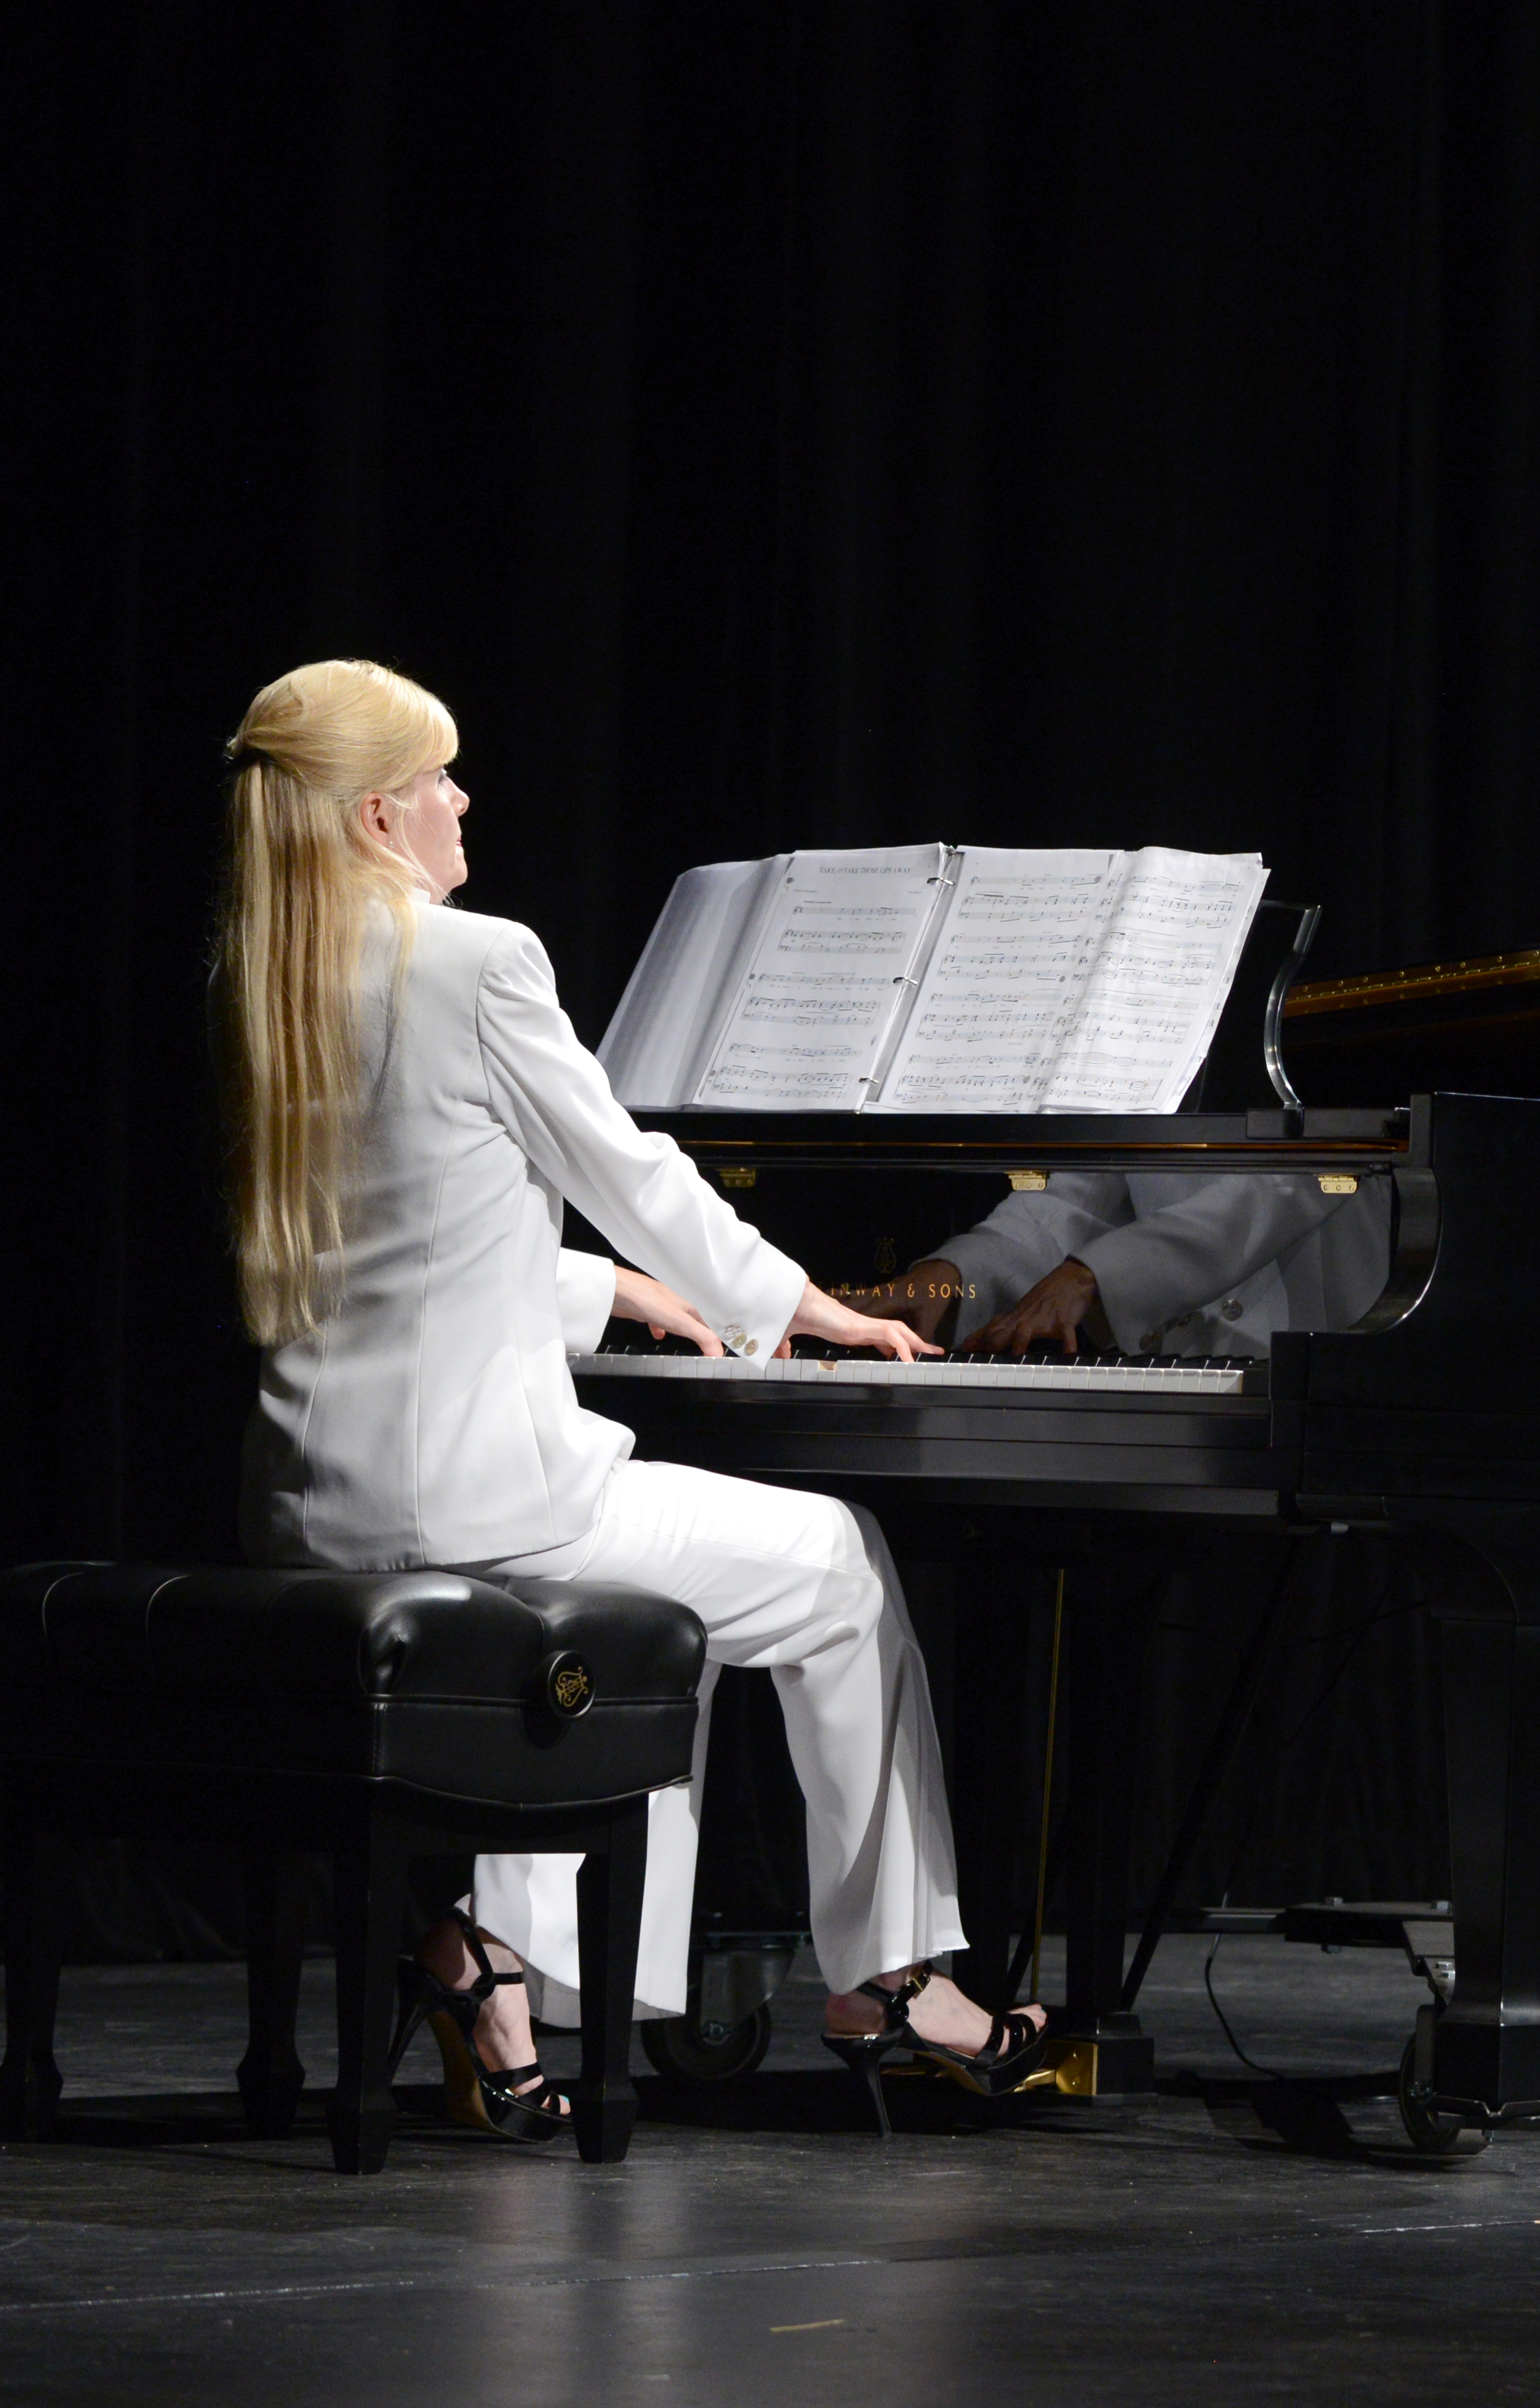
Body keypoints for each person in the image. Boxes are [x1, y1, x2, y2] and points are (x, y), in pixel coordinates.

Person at [220, 658, 1046, 2141]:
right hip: (480, 1511)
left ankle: (502, 1975)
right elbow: (635, 1174)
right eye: (440, 778)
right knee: (838, 1567)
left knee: (650, 1614)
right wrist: (804, 1305)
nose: (463, 799)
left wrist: (606, 1298)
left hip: (310, 1510)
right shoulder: (473, 963)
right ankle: (894, 1976)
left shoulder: (261, 972)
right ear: (374, 814)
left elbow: (391, 1247)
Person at [857, 1174, 1389, 1359]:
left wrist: (1092, 1273)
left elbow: (1283, 1185)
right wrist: (954, 1271)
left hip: (1319, 1346)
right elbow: (1072, 1199)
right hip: (1171, 1359)